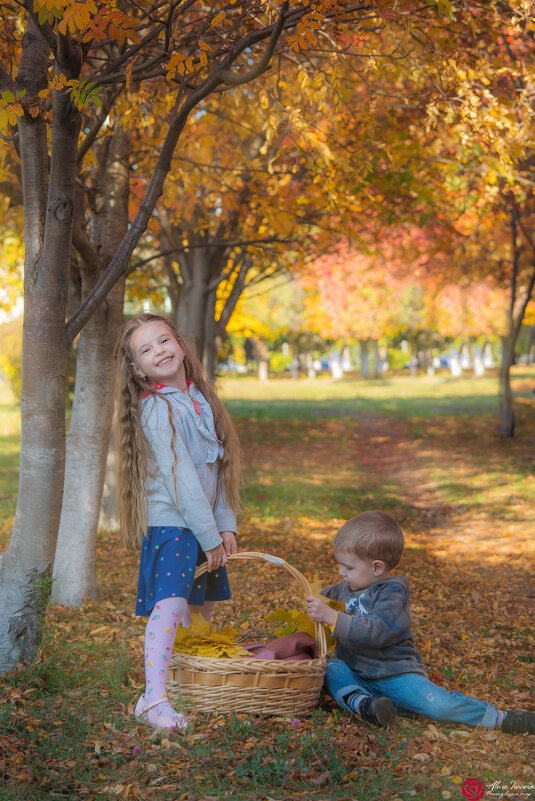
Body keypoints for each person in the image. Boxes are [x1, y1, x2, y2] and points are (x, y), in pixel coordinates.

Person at [114, 313, 240, 731]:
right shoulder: (156, 410)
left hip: (200, 525)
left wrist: (225, 527)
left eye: (164, 340)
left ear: (182, 345)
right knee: (169, 609)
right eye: (146, 350)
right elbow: (181, 481)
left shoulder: (200, 401)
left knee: (197, 611)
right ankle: (154, 698)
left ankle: (184, 683)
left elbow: (217, 470)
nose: (159, 351)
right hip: (173, 526)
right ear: (138, 369)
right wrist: (207, 535)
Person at [306, 510, 535, 735]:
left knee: (439, 704)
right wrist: (310, 608)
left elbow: (378, 630)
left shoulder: (392, 594)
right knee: (330, 669)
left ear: (376, 567)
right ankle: (366, 705)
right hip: (356, 674)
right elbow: (318, 605)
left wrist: (332, 617)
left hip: (396, 676)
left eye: (349, 567)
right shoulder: (342, 589)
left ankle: (503, 718)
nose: (341, 572)